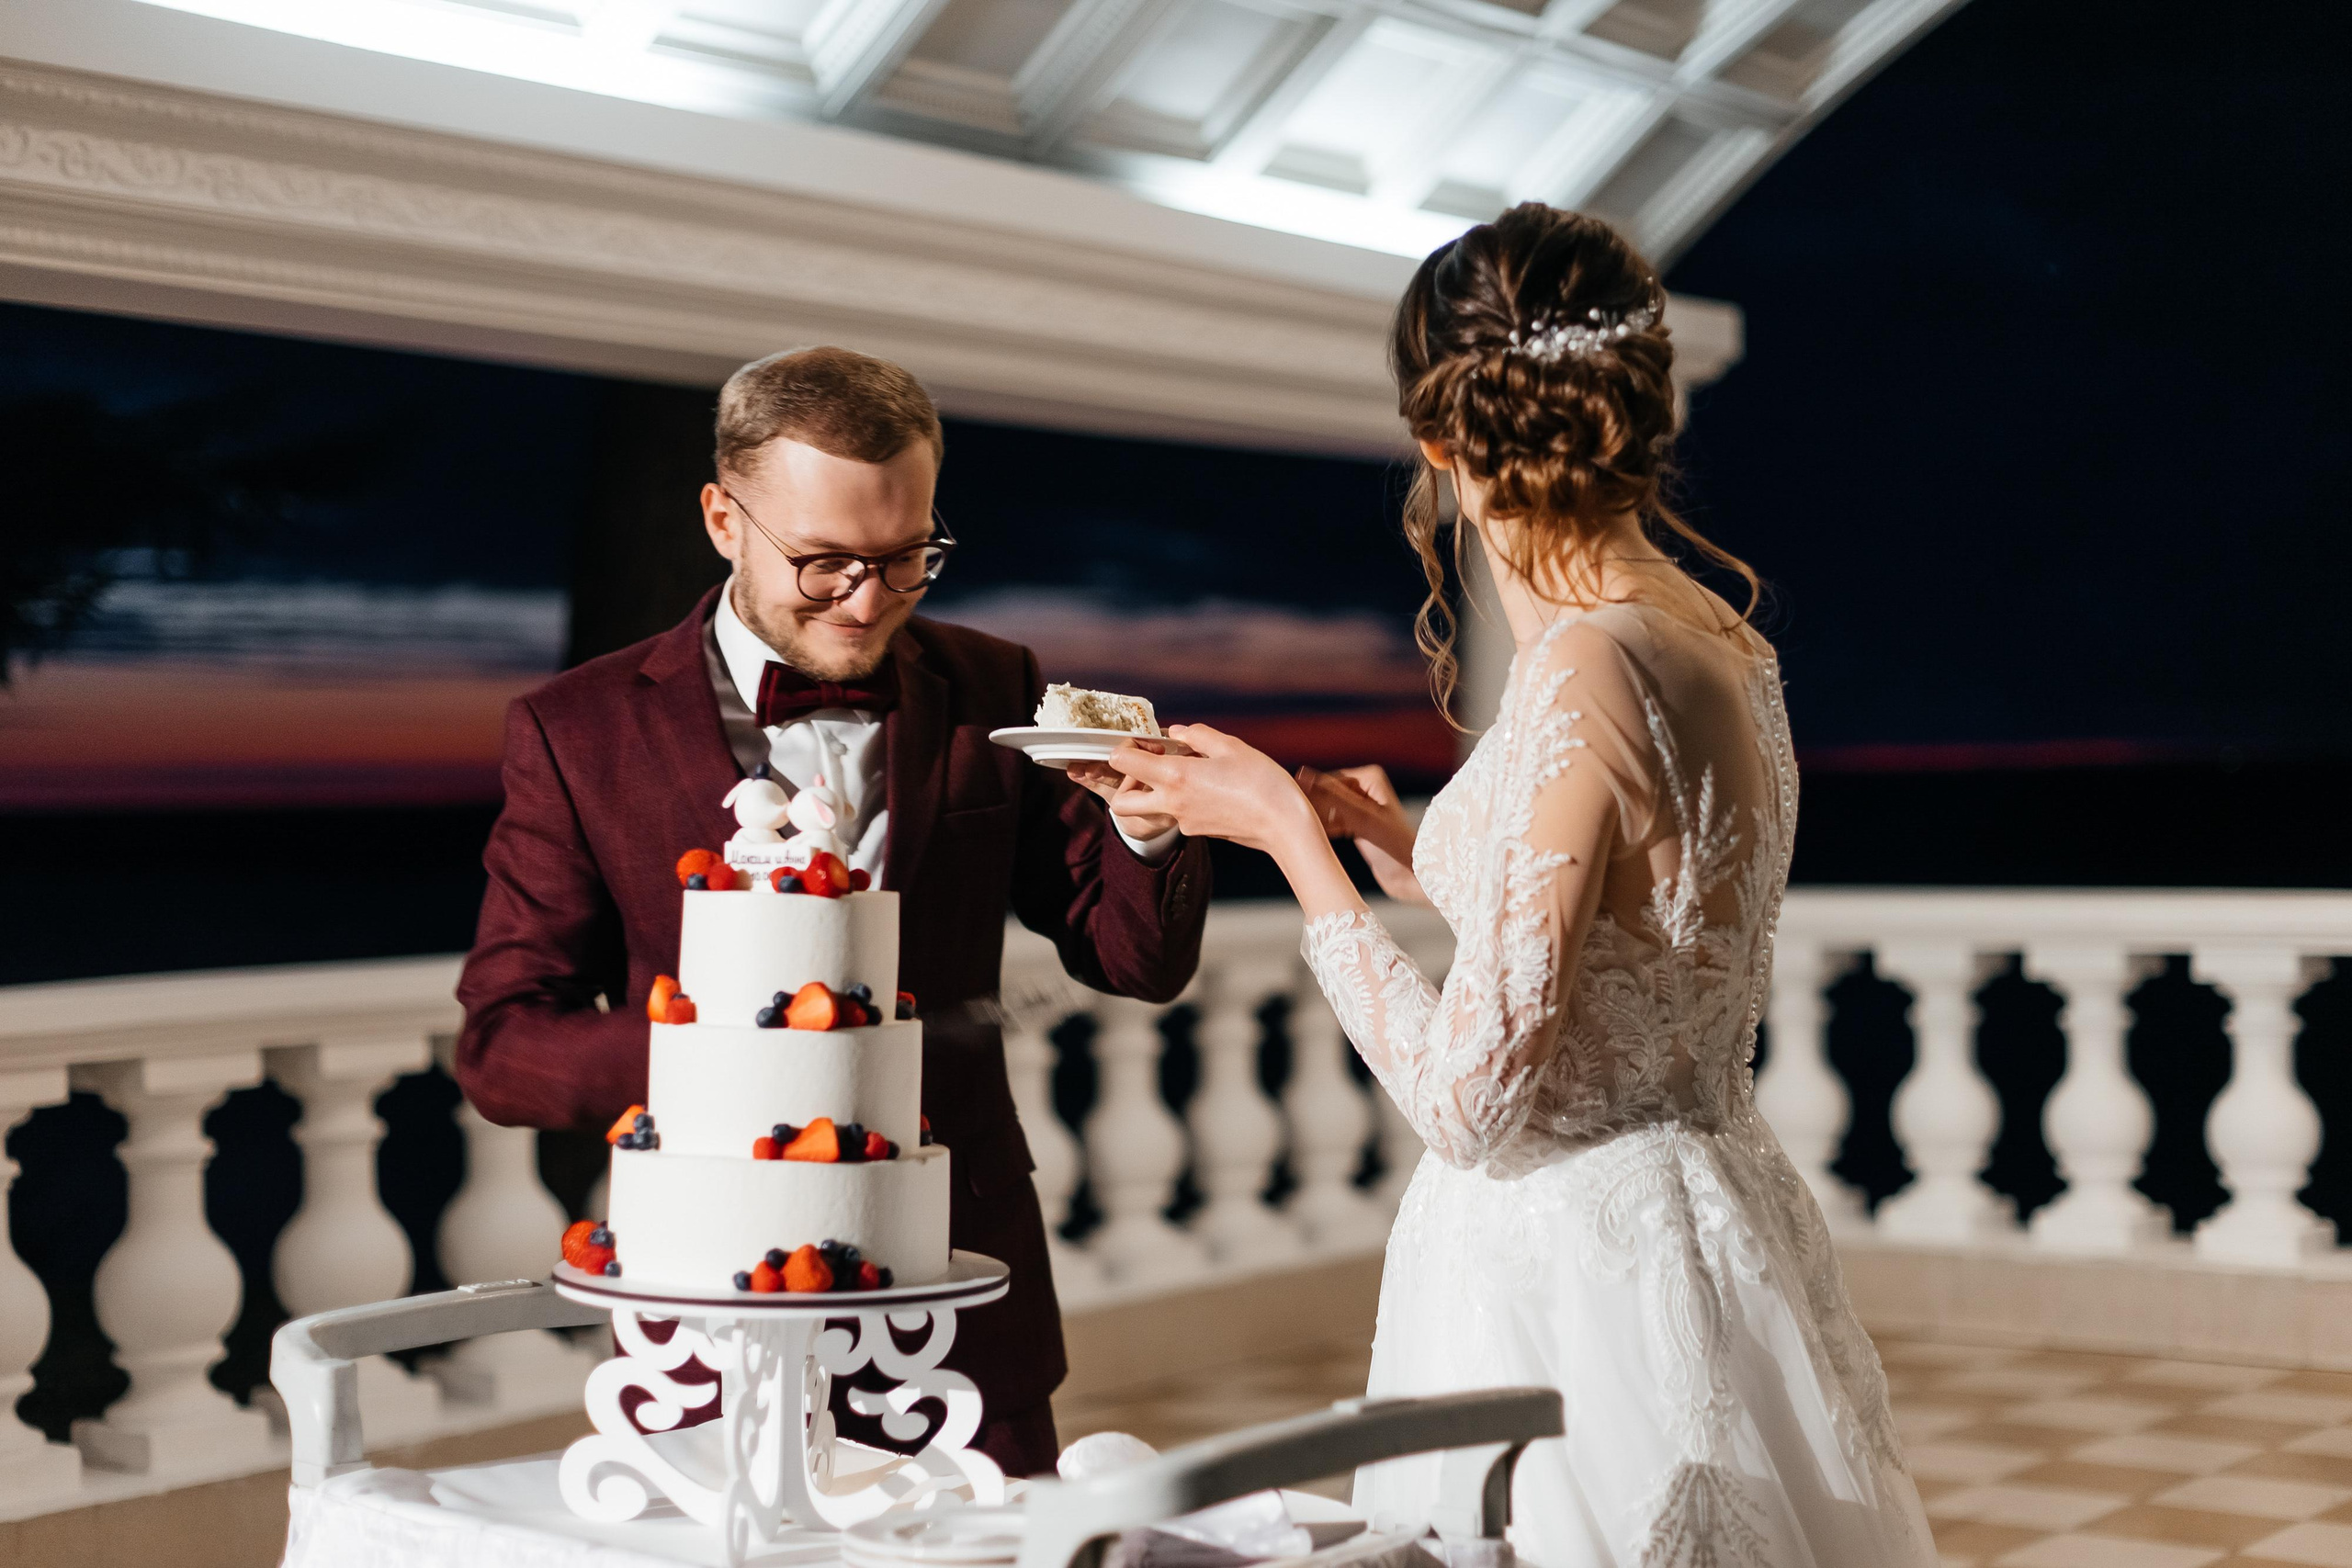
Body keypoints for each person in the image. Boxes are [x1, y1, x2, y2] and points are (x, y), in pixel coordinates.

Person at [1103, 206, 1933, 1565]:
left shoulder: (1581, 667)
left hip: (1567, 1279)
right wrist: (1400, 835)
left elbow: (1473, 1105)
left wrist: (1287, 841)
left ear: (1441, 441)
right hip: (1713, 1208)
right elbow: (1650, 921)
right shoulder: (1718, 639)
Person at [454, 345, 1214, 1478]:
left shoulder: (996, 685)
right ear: (722, 520)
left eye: (909, 559)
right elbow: (503, 1047)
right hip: (709, 1307)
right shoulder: (578, 730)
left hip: (961, 1286)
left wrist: (1147, 825)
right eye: (825, 564)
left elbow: (1129, 960)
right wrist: (745, 1065)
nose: (870, 602)